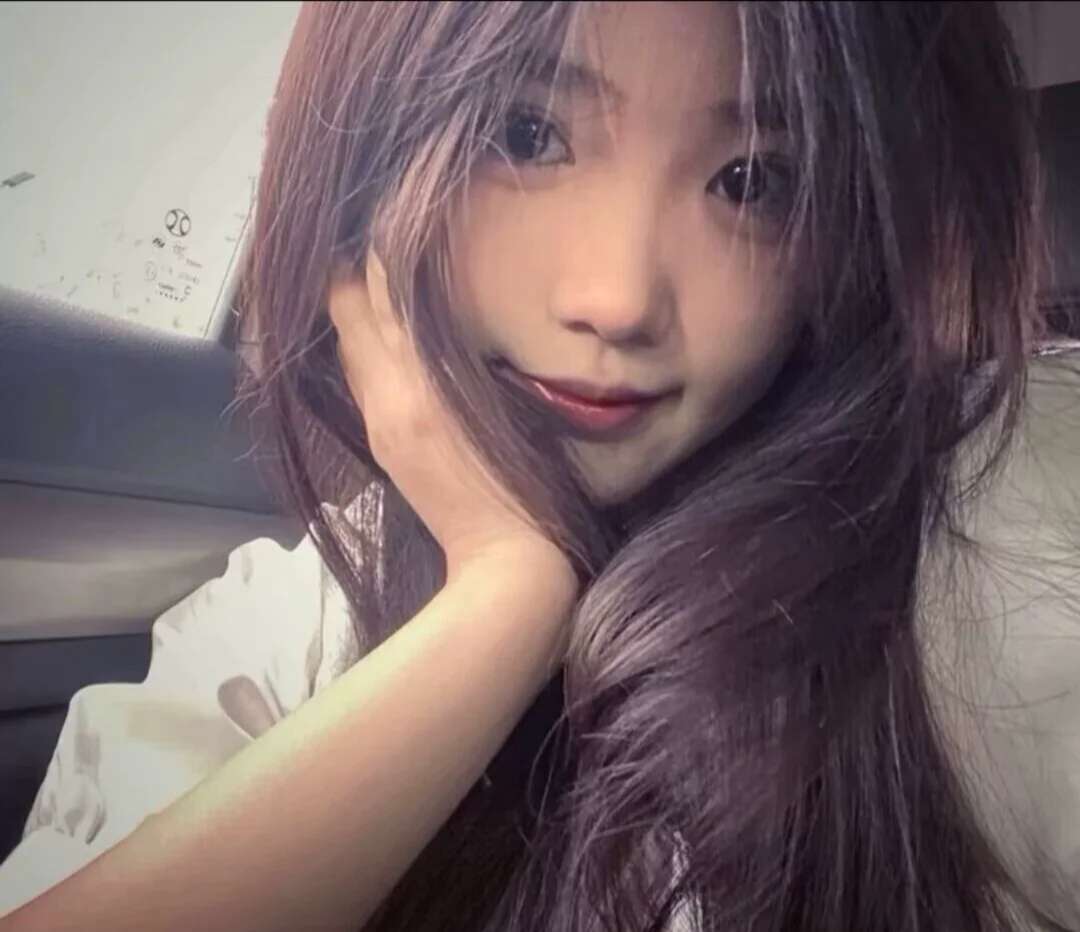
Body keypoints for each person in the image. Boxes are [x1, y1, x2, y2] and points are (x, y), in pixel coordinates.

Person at [1, 1, 1078, 929]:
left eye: (752, 181)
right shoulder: (293, 616)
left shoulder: (1000, 542)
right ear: (366, 168)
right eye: (525, 134)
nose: (617, 298)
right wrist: (505, 595)